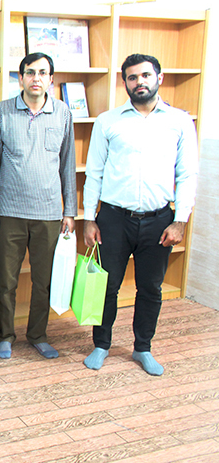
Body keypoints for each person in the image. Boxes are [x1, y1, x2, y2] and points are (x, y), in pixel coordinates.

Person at [82, 53, 198, 376]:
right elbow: (94, 173)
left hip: (159, 221)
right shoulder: (108, 121)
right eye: (132, 77)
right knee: (107, 286)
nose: (139, 82)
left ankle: (143, 347)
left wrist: (180, 221)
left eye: (146, 75)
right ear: (125, 83)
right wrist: (89, 218)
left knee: (150, 288)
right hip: (114, 219)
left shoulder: (179, 121)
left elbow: (187, 174)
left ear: (159, 78)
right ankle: (101, 344)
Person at [0, 52, 76, 360]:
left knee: (43, 281)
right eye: (30, 72)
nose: (37, 78)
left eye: (43, 73)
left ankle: (37, 334)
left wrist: (70, 211)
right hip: (9, 212)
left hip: (49, 213)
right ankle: (5, 335)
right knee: (6, 280)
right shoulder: (2, 112)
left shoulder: (62, 113)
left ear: (51, 79)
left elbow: (68, 164)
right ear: (20, 78)